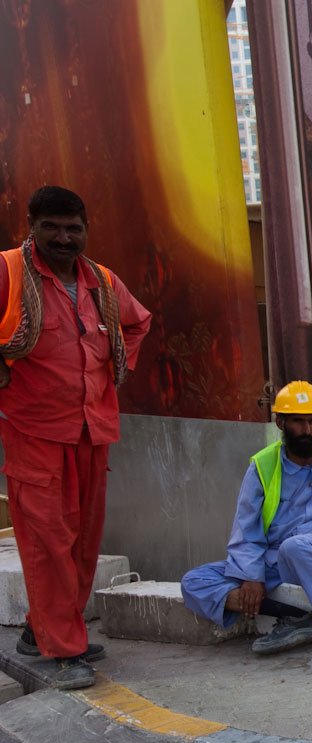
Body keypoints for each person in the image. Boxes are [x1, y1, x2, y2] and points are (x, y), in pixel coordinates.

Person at [0, 185, 150, 689]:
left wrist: (116, 364)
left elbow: (138, 323)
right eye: (52, 228)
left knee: (82, 542)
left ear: (86, 229)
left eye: (73, 229)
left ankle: (37, 631)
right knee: (48, 542)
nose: (64, 238)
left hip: (93, 429)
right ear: (32, 226)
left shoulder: (102, 282)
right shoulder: (9, 273)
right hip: (34, 433)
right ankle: (63, 650)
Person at [180, 381, 312, 656]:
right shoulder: (262, 465)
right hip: (277, 554)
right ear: (280, 423)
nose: (308, 431)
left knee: (296, 547)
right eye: (298, 422)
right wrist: (251, 576)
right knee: (195, 580)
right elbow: (245, 528)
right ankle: (299, 619)